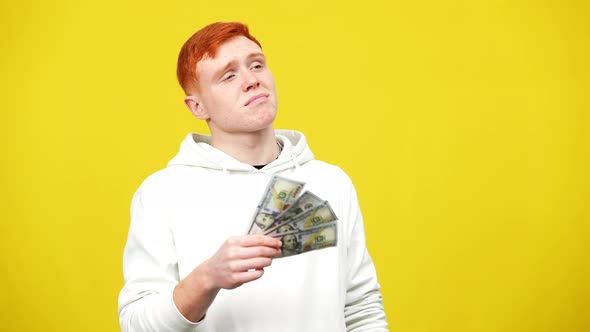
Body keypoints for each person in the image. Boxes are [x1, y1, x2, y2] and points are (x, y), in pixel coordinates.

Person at [118, 21, 388, 332]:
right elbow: (136, 325)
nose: (251, 80)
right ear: (197, 106)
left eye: (257, 65)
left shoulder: (331, 182)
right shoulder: (161, 193)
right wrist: (207, 278)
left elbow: (361, 308)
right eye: (228, 75)